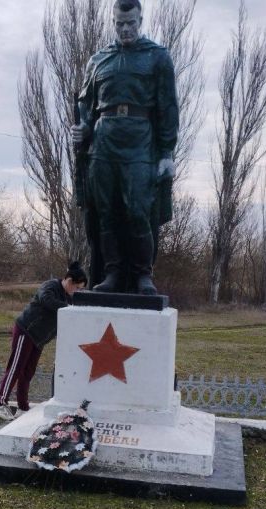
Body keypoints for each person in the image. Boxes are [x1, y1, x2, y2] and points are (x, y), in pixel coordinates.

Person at [71, 0, 179, 296]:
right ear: (113, 22)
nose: (125, 29)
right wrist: (83, 128)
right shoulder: (99, 60)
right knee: (107, 212)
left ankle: (142, 274)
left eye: (130, 23)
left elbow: (168, 107)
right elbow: (86, 103)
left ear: (140, 20)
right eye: (120, 23)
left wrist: (167, 152)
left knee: (138, 211)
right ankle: (113, 272)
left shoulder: (157, 57)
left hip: (140, 142)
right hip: (104, 143)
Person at [0, 264, 88, 420]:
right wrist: (69, 308)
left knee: (28, 372)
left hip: (39, 339)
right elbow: (46, 300)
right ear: (69, 281)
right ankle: (0, 403)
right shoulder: (51, 286)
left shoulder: (69, 297)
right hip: (26, 330)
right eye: (76, 287)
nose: (77, 291)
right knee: (16, 367)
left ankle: (23, 407)